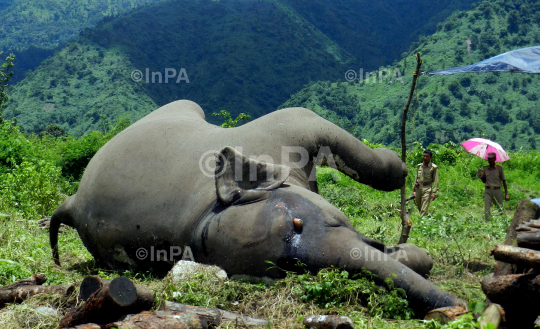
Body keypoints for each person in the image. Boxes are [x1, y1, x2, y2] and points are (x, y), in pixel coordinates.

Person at [477, 152, 509, 221]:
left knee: (500, 208)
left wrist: (506, 194)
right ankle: (488, 224)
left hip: (497, 190)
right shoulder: (485, 169)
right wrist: (480, 175)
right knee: (487, 208)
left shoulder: (499, 169)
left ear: (495, 159)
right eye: (488, 159)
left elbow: (504, 181)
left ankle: (504, 221)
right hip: (488, 190)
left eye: (491, 159)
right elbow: (484, 181)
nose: (490, 160)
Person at [412, 150, 439, 217]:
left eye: (427, 156)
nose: (425, 158)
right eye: (424, 156)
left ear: (431, 158)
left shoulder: (434, 167)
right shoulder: (419, 166)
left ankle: (421, 222)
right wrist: (414, 190)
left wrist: (434, 192)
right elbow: (416, 179)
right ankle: (425, 218)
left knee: (424, 208)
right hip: (418, 188)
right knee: (419, 206)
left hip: (427, 188)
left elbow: (436, 180)